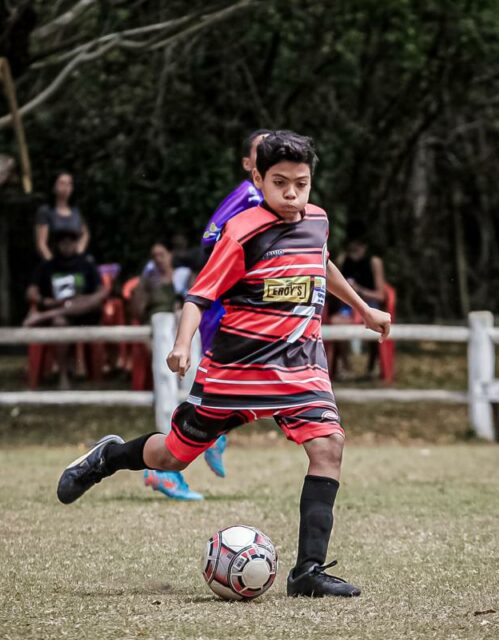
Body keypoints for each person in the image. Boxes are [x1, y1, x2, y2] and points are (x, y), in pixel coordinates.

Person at [56, 131, 392, 598]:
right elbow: (198, 295)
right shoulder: (242, 231)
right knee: (172, 456)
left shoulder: (317, 221)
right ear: (259, 178)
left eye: (302, 183)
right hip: (237, 369)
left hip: (299, 365)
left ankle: (307, 572)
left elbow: (322, 262)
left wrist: (363, 308)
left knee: (329, 446)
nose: (292, 194)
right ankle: (109, 456)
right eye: (280, 183)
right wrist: (181, 344)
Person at [144, 130, 270, 497]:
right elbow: (208, 242)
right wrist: (228, 285)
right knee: (209, 394)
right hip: (224, 308)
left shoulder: (272, 203)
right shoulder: (248, 196)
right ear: (249, 164)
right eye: (262, 151)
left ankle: (205, 441)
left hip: (241, 308)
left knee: (241, 391)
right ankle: (168, 466)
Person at [132, 240, 203, 500]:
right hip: (162, 335)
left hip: (186, 337)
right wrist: (145, 284)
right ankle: (164, 468)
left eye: (162, 254)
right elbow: (136, 309)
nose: (158, 259)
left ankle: (209, 440)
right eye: (154, 255)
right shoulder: (149, 280)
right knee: (167, 388)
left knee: (195, 392)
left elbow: (200, 299)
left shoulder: (186, 276)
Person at [24, 232, 108, 389]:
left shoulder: (87, 264)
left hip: (85, 314)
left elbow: (102, 291)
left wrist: (86, 300)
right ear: (57, 245)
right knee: (59, 322)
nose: (67, 247)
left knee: (84, 302)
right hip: (58, 312)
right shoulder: (47, 266)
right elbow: (31, 291)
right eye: (64, 243)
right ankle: (63, 375)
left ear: (76, 244)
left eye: (71, 242)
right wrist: (44, 300)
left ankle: (43, 316)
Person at [331, 233, 387, 378]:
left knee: (376, 323)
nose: (355, 249)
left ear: (365, 246)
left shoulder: (373, 262)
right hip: (349, 306)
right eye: (352, 246)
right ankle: (344, 367)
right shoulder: (343, 260)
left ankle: (371, 367)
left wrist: (358, 291)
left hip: (369, 304)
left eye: (359, 245)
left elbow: (381, 295)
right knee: (336, 322)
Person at [34, 171, 89, 261]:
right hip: (53, 262)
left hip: (74, 262)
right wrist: (52, 264)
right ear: (53, 187)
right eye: (62, 183)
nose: (66, 187)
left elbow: (85, 234)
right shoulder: (46, 211)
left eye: (69, 184)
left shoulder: (76, 211)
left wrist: (79, 252)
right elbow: (41, 244)